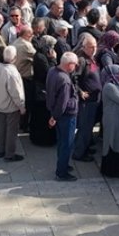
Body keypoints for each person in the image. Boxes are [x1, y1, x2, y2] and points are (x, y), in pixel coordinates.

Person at [46, 52, 81, 181]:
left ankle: (63, 163)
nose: (75, 67)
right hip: (66, 115)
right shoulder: (65, 80)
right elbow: (63, 103)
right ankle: (62, 172)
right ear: (69, 64)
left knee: (61, 141)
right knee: (67, 143)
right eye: (74, 64)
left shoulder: (52, 71)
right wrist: (55, 117)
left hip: (56, 112)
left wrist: (53, 115)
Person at [0, 45, 27, 162]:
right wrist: (21, 106)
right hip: (11, 106)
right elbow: (16, 93)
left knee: (2, 128)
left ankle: (1, 150)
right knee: (11, 130)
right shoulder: (12, 73)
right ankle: (9, 154)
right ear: (15, 57)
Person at [98, 64, 119, 177]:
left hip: (118, 118)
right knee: (113, 141)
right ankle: (112, 170)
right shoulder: (109, 87)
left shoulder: (117, 85)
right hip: (112, 119)